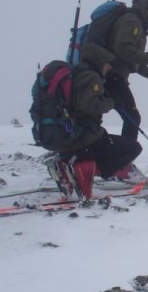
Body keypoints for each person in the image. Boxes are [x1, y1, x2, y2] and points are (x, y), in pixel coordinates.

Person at [51, 44, 143, 199]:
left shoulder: (75, 74)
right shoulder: (91, 77)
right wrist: (112, 103)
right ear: (99, 62)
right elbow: (90, 105)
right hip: (85, 137)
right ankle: (87, 170)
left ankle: (67, 165)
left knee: (104, 144)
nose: (109, 68)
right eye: (107, 64)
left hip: (67, 136)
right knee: (133, 147)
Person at [101, 0, 148, 141]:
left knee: (131, 118)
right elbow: (122, 49)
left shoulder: (139, 24)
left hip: (113, 75)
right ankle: (123, 158)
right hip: (111, 75)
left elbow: (132, 62)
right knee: (132, 118)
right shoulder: (133, 21)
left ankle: (121, 157)